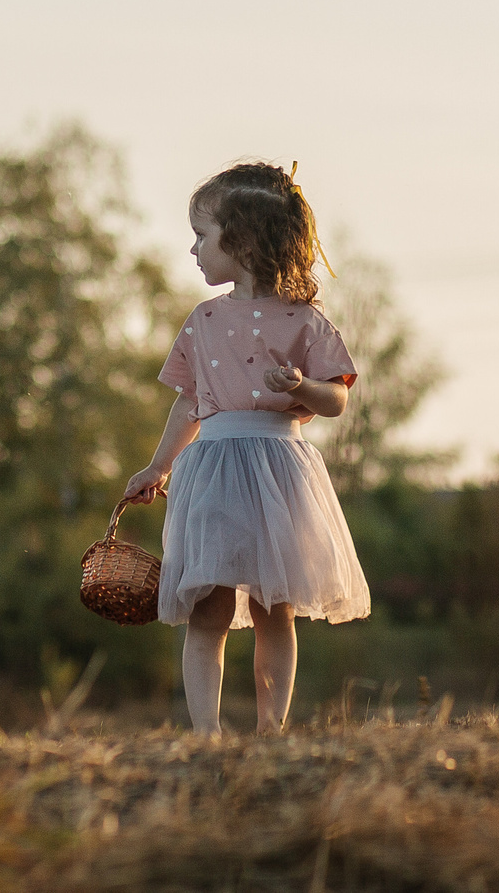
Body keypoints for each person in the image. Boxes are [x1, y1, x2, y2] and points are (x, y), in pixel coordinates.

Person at [125, 161, 372, 733]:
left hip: (277, 473)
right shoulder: (204, 319)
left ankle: (270, 730)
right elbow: (190, 401)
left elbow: (334, 401)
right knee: (207, 607)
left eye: (201, 236)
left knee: (273, 609)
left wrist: (302, 387)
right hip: (212, 469)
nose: (193, 251)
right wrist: (159, 464)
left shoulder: (304, 321)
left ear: (243, 240)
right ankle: (205, 735)